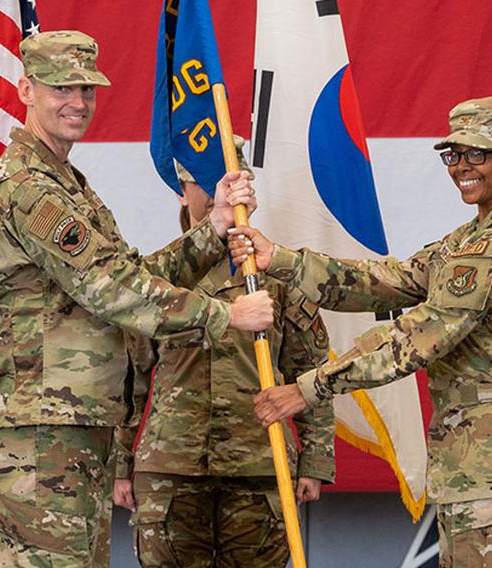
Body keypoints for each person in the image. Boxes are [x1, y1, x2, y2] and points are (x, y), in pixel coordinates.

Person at [230, 96, 492, 568]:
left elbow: (420, 335)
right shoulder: (475, 235)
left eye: (478, 153)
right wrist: (282, 260)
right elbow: (396, 280)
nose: (461, 167)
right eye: (454, 154)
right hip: (475, 463)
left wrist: (308, 389)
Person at [0, 31, 273, 567]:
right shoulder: (27, 186)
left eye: (86, 89)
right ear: (25, 89)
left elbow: (128, 273)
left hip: (76, 422)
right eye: (61, 87)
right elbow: (112, 290)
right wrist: (226, 314)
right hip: (44, 428)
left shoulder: (68, 183)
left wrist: (215, 227)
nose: (78, 102)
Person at [112, 140, 336, 567]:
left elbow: (311, 371)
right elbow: (130, 377)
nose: (227, 195)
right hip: (172, 466)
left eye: (237, 183)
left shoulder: (275, 273)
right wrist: (120, 463)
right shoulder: (159, 277)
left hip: (259, 463)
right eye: (212, 184)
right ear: (182, 189)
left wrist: (316, 458)